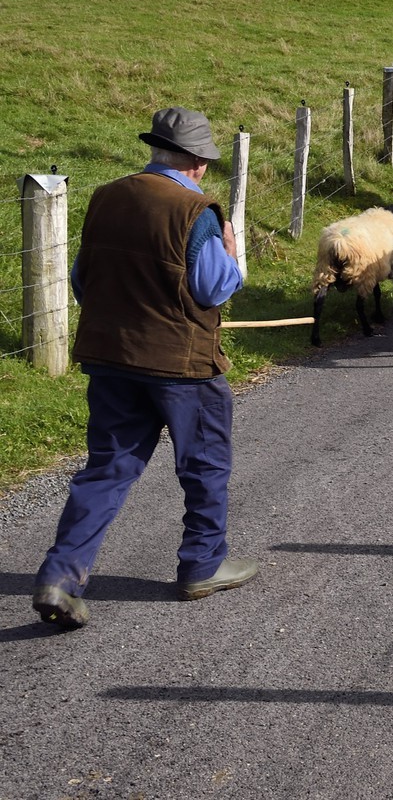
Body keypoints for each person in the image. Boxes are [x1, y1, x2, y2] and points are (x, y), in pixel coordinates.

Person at [33, 107, 257, 630]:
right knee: (204, 465)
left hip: (111, 357)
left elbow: (84, 280)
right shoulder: (196, 210)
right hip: (182, 365)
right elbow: (212, 288)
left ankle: (60, 575)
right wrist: (232, 255)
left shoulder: (107, 196)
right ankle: (203, 565)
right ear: (199, 162)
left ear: (154, 150)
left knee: (107, 469)